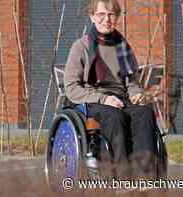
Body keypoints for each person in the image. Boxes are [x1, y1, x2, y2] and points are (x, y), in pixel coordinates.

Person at [64, 0, 159, 180]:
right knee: (114, 115)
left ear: (116, 17)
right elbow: (71, 88)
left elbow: (131, 82)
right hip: (91, 98)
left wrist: (136, 94)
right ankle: (122, 178)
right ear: (92, 17)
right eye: (101, 15)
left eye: (111, 15)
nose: (106, 19)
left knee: (144, 112)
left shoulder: (122, 47)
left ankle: (145, 177)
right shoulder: (81, 47)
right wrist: (103, 99)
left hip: (120, 97)